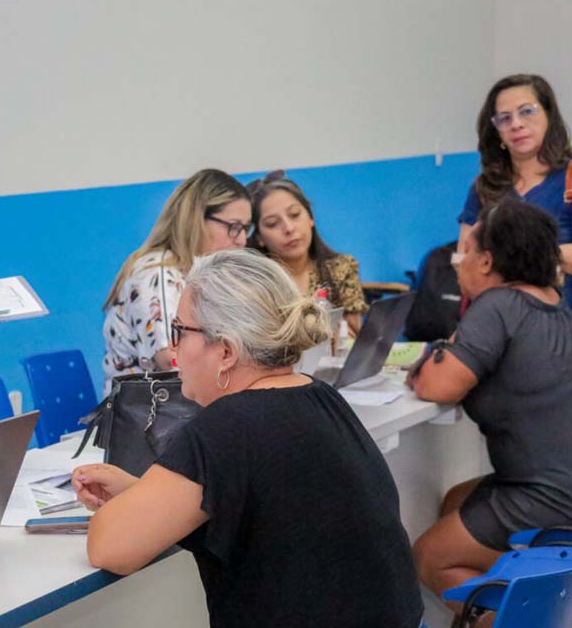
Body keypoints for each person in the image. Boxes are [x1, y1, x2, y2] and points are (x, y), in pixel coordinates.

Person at [76, 249, 424, 627]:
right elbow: (273, 507)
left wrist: (121, 510)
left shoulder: (225, 427)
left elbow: (109, 547)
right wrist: (144, 493)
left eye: (180, 331)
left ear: (225, 351)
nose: (173, 348)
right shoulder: (320, 395)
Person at [409, 201, 572, 605]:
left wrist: (433, 356)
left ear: (487, 261)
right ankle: (540, 601)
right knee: (455, 500)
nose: (460, 261)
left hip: (560, 501)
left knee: (428, 557)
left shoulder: (498, 306)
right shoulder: (552, 302)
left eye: (468, 251)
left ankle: (544, 614)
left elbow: (436, 385)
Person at [457, 74, 572, 354]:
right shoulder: (484, 187)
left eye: (526, 111)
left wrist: (512, 256)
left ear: (549, 116)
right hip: (497, 337)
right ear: (497, 132)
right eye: (504, 118)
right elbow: (463, 261)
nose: (516, 123)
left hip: (564, 337)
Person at [101, 168, 251, 392]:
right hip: (147, 417)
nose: (242, 240)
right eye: (233, 227)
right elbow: (172, 361)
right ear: (197, 220)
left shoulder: (196, 274)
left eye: (245, 228)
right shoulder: (158, 276)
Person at [246, 170, 367, 335]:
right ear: (259, 237)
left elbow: (353, 336)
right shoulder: (255, 284)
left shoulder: (341, 268)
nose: (289, 228)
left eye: (295, 215)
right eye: (272, 223)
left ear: (311, 217)